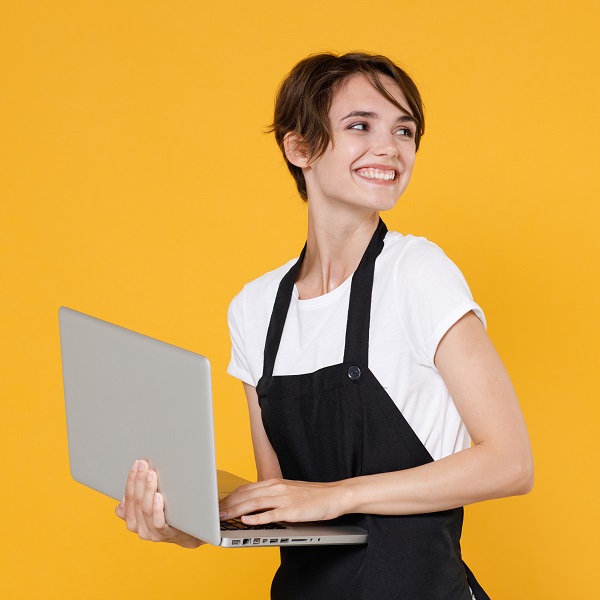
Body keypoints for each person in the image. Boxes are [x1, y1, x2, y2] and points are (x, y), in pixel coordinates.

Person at [116, 52, 534, 599]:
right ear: (300, 147)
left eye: (404, 130)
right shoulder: (255, 308)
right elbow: (284, 501)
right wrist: (185, 526)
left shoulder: (417, 273)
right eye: (361, 125)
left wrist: (335, 495)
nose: (389, 147)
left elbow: (510, 463)